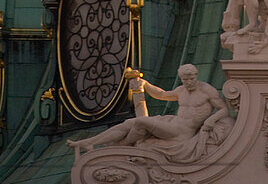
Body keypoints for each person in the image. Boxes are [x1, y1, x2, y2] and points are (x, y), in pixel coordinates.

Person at [68, 64, 229, 156]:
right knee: (130, 122)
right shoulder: (181, 90)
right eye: (185, 80)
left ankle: (119, 146)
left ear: (196, 76)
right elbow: (163, 95)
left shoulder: (207, 91)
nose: (188, 82)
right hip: (171, 123)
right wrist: (145, 84)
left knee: (141, 121)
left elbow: (224, 110)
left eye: (191, 79)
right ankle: (89, 143)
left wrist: (211, 119)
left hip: (182, 132)